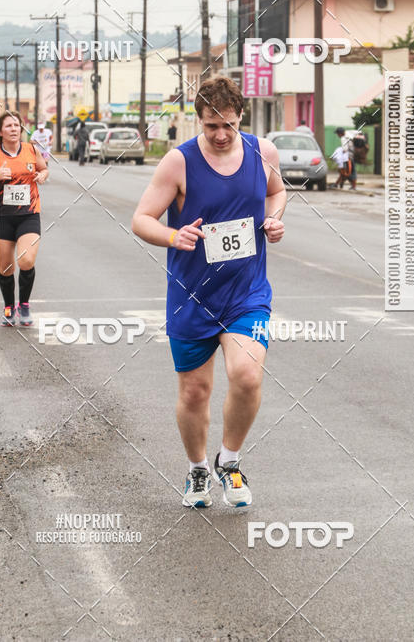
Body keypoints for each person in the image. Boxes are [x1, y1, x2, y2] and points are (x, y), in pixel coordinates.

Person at [132, 76, 286, 509]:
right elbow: (141, 218)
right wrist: (171, 236)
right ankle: (198, 469)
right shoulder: (178, 163)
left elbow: (277, 192)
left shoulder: (263, 152)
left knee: (247, 375)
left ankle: (230, 462)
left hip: (246, 293)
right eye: (210, 126)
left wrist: (274, 220)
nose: (220, 135)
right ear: (197, 120)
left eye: (229, 126)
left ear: (242, 118)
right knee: (194, 392)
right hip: (191, 296)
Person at [0, 110, 48, 327]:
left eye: (17, 125)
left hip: (28, 214)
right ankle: (9, 307)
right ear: (0, 132)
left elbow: (44, 169)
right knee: (6, 267)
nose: (14, 129)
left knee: (26, 260)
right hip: (1, 217)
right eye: (9, 126)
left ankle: (24, 305)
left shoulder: (31, 149)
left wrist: (42, 176)